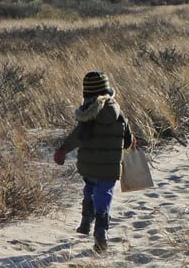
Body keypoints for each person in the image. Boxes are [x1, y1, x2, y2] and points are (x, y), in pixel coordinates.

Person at [53, 71, 135, 253]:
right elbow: (128, 139)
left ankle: (85, 220)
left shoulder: (87, 117)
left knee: (90, 189)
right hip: (110, 167)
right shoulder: (118, 113)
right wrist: (129, 143)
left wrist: (63, 150)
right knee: (104, 193)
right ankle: (101, 228)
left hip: (89, 165)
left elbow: (77, 137)